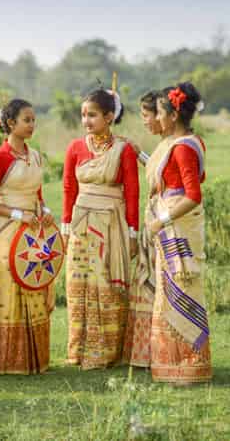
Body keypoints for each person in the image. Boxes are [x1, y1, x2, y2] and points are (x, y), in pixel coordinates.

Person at [62, 87, 139, 370]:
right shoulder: (75, 148)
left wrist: (132, 233)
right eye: (83, 115)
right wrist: (65, 224)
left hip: (110, 223)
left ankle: (107, 352)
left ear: (109, 116)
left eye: (92, 115)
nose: (86, 121)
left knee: (106, 281)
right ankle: (78, 350)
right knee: (78, 283)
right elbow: (69, 187)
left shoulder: (124, 149)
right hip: (81, 223)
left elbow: (132, 192)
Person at [0, 99, 55, 374]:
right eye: (27, 120)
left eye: (34, 120)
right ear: (11, 124)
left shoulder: (34, 156)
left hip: (33, 228)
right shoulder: (0, 157)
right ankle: (9, 360)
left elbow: (37, 192)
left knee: (35, 281)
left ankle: (35, 359)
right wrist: (17, 215)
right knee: (11, 286)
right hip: (6, 229)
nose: (32, 125)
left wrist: (44, 210)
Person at [146, 82, 211, 384]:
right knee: (172, 286)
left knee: (180, 286)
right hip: (177, 221)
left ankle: (184, 362)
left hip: (177, 224)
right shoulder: (191, 142)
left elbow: (192, 194)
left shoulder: (184, 147)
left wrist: (162, 219)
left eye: (159, 112)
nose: (156, 119)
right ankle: (177, 361)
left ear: (173, 115)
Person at [122, 90, 164, 367]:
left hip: (164, 219)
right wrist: (141, 155)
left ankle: (157, 352)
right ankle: (145, 352)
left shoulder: (177, 144)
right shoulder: (165, 146)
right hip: (155, 218)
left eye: (147, 116)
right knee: (145, 280)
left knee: (156, 282)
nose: (145, 121)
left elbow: (167, 178)